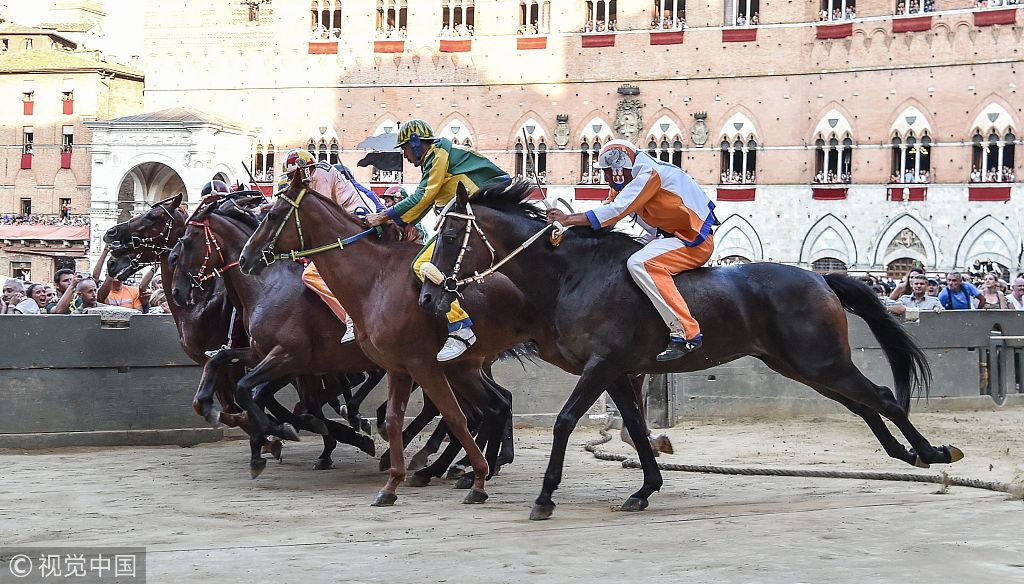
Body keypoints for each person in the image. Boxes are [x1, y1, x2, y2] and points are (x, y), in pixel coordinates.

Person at [545, 139, 716, 361]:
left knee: (641, 263)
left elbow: (617, 210)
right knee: (621, 257)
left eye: (607, 172)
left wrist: (568, 219)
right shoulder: (629, 179)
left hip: (691, 242)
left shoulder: (647, 174)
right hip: (667, 237)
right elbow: (607, 212)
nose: (606, 178)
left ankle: (686, 332)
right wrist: (568, 227)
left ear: (618, 168)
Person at [365, 119, 510, 361]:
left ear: (416, 143)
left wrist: (383, 216)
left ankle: (460, 327)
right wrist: (399, 222)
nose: (405, 156)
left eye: (405, 149)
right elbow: (428, 203)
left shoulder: (438, 154)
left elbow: (424, 195)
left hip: (475, 216)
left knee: (422, 266)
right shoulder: (435, 158)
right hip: (469, 216)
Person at [282, 149, 379, 343]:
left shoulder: (320, 177)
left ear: (305, 170)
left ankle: (352, 317)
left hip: (357, 221)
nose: (293, 180)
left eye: (294, 175)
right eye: (291, 177)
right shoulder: (318, 173)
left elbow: (317, 216)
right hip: (354, 220)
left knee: (311, 274)